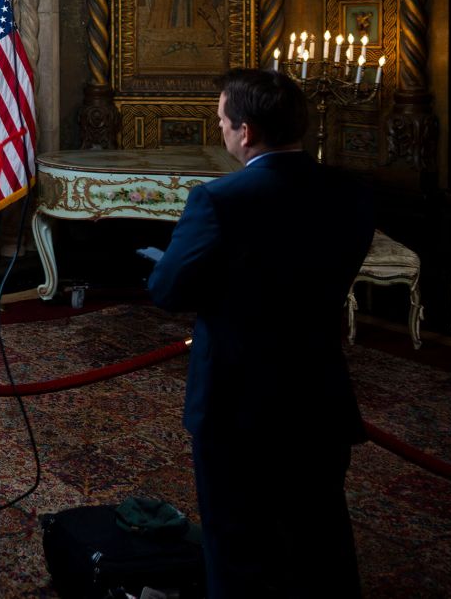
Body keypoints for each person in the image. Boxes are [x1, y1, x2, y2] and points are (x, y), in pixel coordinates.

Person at [148, 68, 373, 598]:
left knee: (238, 551)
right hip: (319, 391)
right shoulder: (354, 192)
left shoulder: (220, 200)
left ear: (245, 132)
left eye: (223, 122)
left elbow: (168, 291)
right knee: (322, 543)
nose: (222, 132)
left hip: (238, 402)